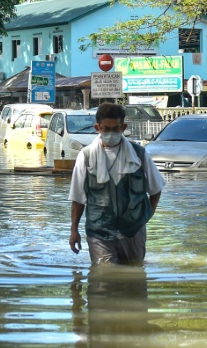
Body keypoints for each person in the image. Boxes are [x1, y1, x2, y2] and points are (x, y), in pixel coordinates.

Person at [69, 102, 165, 265]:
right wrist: (74, 230)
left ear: (123, 127)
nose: (111, 133)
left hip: (133, 231)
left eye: (116, 129)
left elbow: (156, 190)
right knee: (104, 278)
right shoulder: (85, 157)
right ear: (97, 128)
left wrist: (144, 218)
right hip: (99, 232)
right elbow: (78, 199)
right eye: (106, 129)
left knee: (134, 282)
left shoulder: (139, 155)